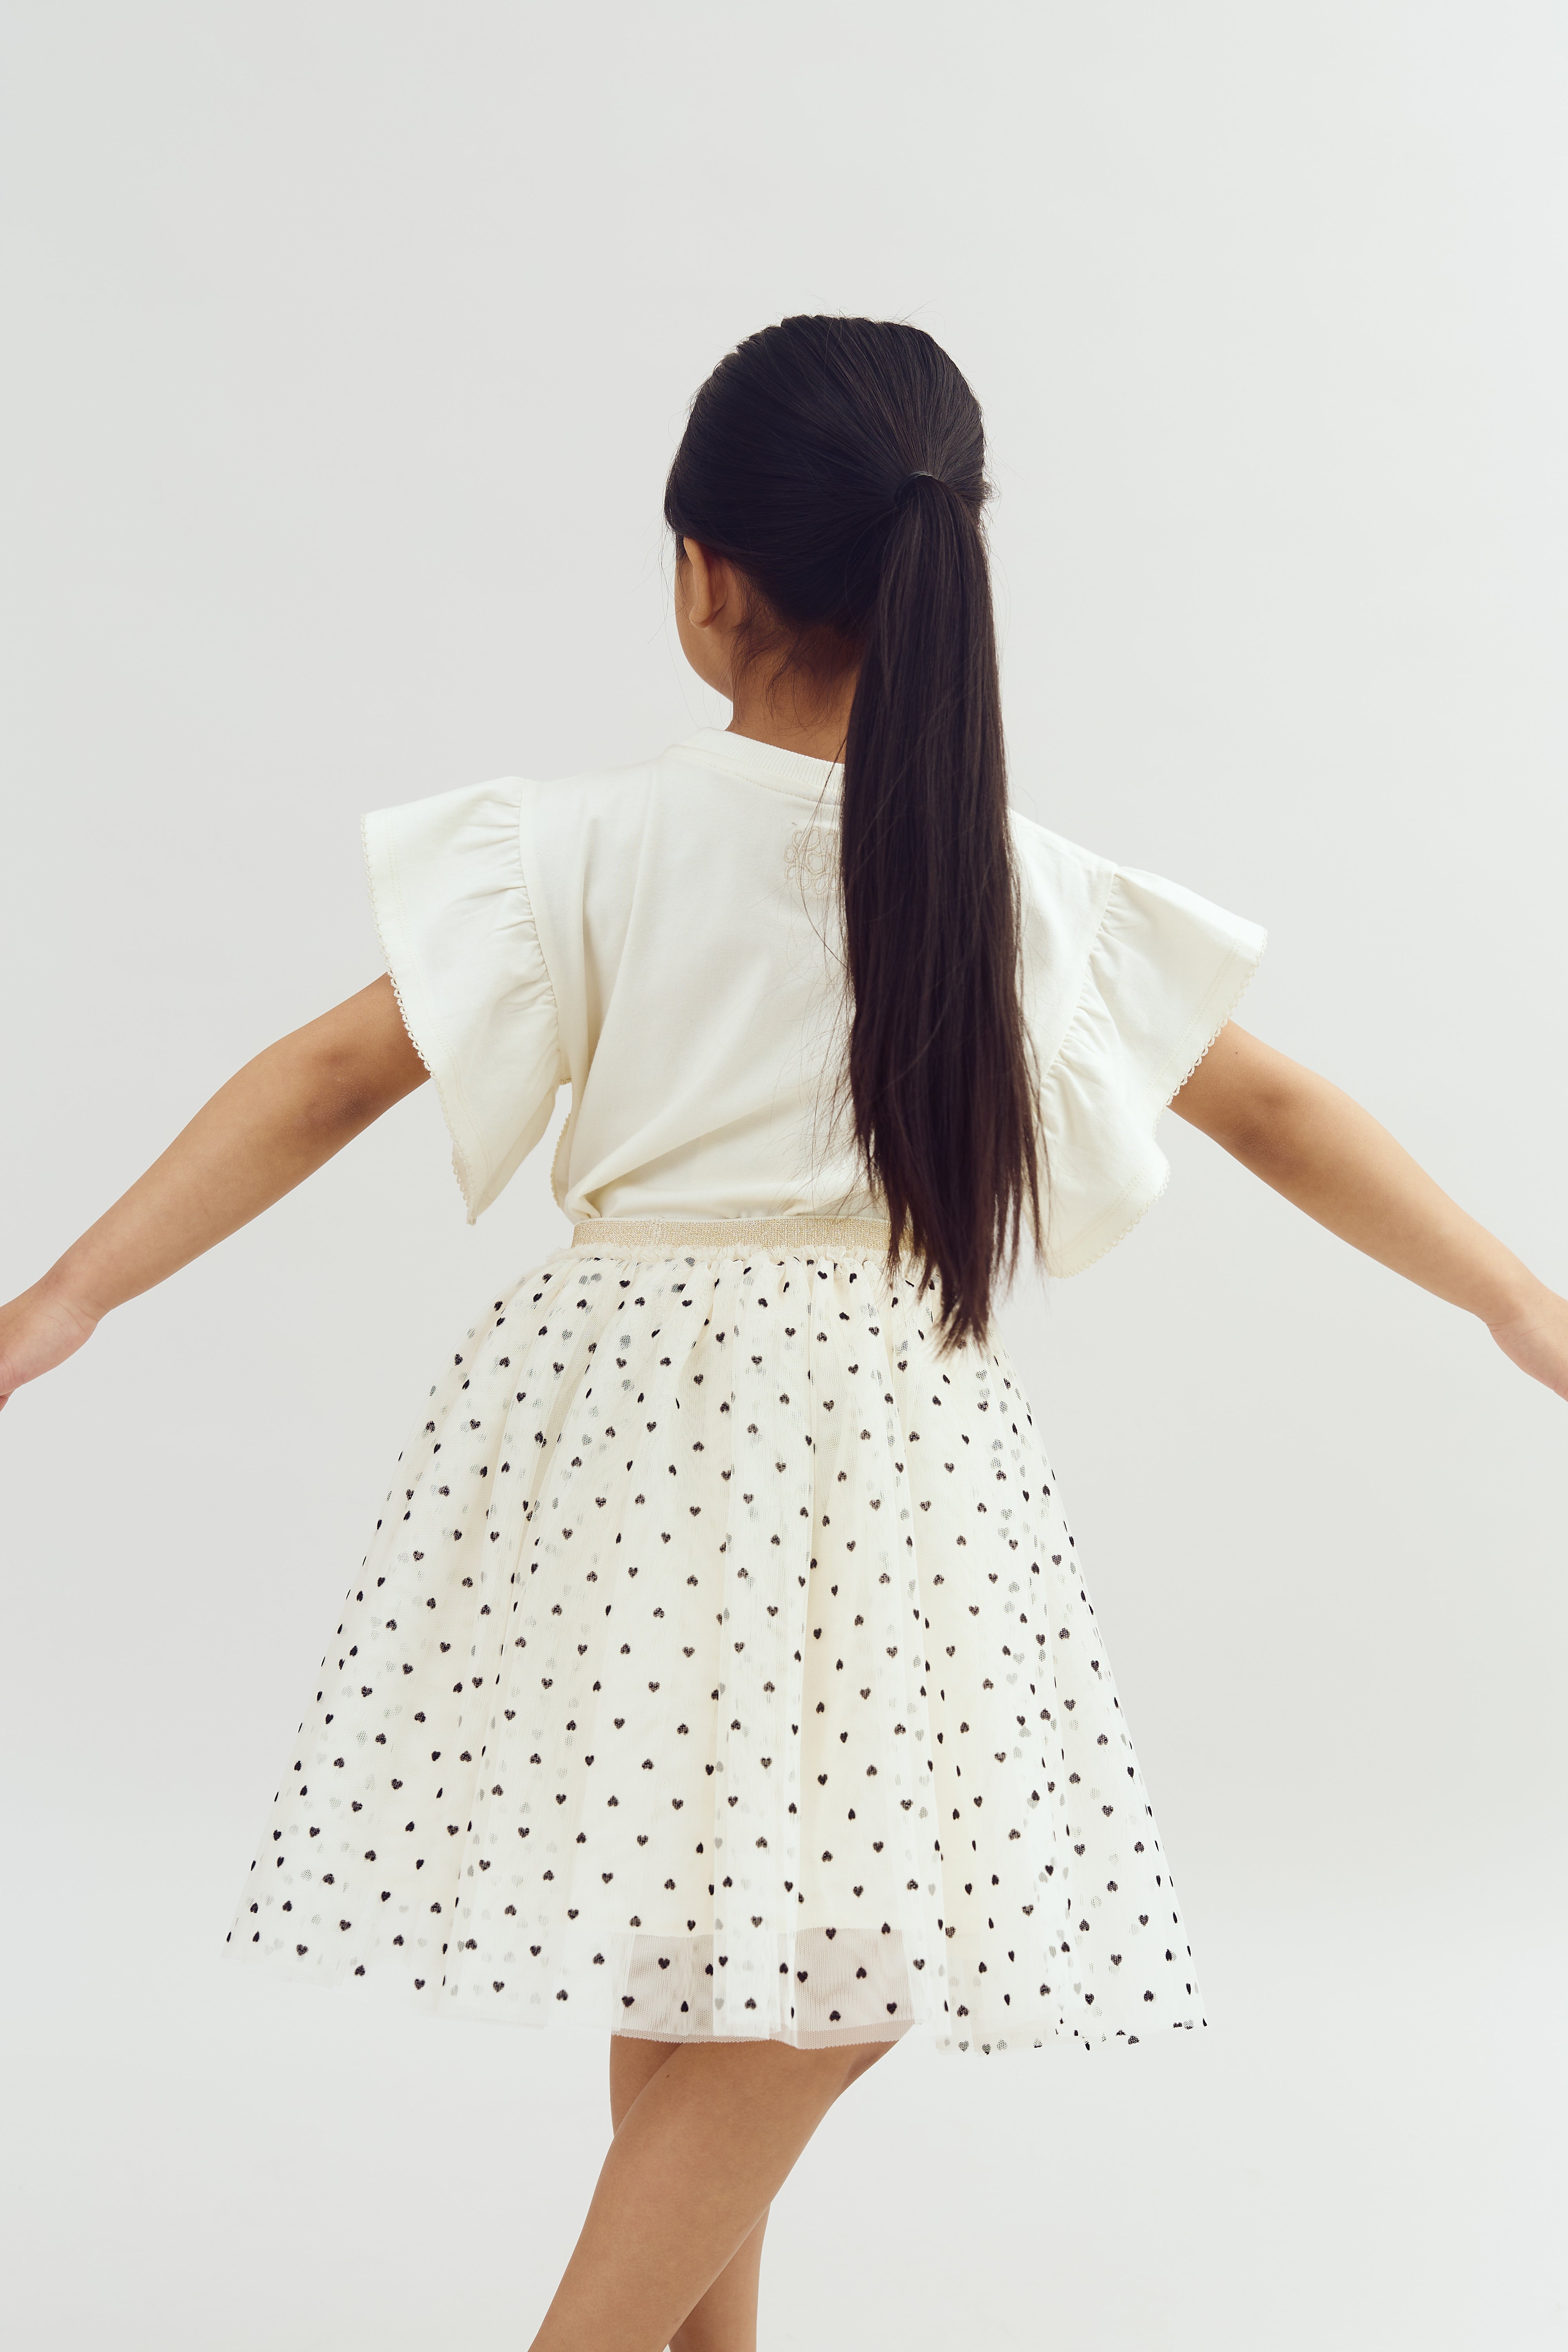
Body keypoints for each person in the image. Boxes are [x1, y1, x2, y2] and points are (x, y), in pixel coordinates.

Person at [1, 314, 1562, 2352]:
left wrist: (69, 1293)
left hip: (618, 1426)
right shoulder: (1007, 878)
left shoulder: (586, 844)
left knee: (728, 1950)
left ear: (705, 577)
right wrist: (1521, 1300)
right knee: (828, 1961)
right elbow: (1272, 1108)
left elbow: (322, 1079)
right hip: (867, 1446)